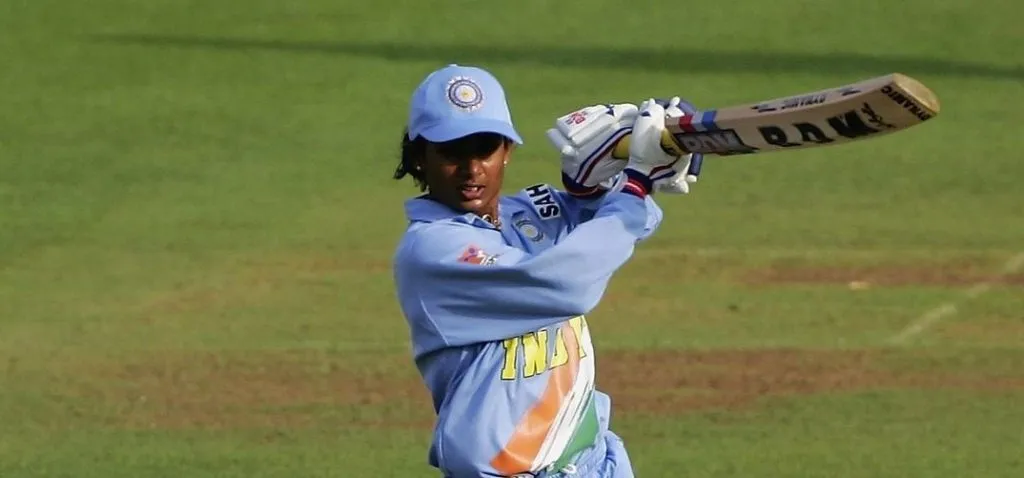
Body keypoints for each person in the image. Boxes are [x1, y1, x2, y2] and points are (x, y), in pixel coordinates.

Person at [391, 63, 698, 477]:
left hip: (593, 463)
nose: (471, 170)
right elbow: (564, 284)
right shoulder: (433, 250)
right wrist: (636, 180)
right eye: (452, 152)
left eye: (484, 148)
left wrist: (597, 182)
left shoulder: (530, 212)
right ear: (419, 158)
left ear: (507, 151)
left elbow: (631, 221)